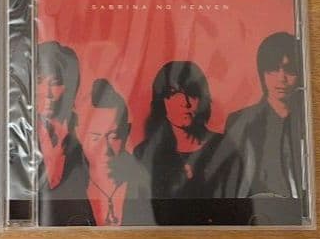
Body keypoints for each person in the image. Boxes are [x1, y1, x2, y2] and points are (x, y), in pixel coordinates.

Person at [211, 33, 304, 200]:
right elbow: (230, 182)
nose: (281, 78)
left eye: (289, 70)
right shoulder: (240, 121)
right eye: (273, 69)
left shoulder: (309, 121)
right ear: (262, 73)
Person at [134, 62, 224, 218]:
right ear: (161, 100)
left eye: (191, 93)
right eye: (175, 94)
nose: (185, 103)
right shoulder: (144, 153)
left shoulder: (224, 147)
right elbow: (139, 215)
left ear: (202, 98)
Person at [76, 79, 153, 226]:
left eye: (113, 137)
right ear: (80, 136)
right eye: (95, 138)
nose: (105, 150)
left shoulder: (145, 181)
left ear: (126, 132)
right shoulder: (73, 184)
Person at [36, 41, 87, 227]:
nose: (47, 93)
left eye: (56, 83)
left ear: (70, 86)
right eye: (39, 81)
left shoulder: (79, 145)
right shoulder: (15, 138)